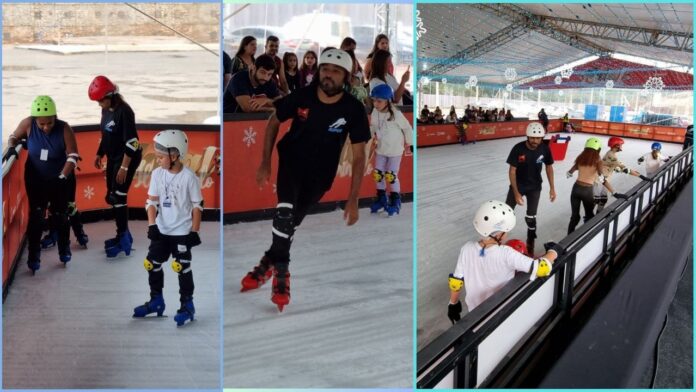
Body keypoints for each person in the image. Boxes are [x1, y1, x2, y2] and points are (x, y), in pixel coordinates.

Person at [241, 48, 370, 312]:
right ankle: (281, 275)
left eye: (335, 71)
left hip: (321, 176)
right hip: (291, 163)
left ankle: (266, 264)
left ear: (345, 76)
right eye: (324, 69)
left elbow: (359, 156)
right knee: (284, 216)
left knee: (289, 227)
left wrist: (353, 197)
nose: (328, 75)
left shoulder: (353, 109)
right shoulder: (302, 96)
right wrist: (265, 162)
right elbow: (274, 121)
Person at [133, 130, 203, 327]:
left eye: (160, 157)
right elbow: (151, 202)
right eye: (156, 156)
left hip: (182, 233)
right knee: (151, 264)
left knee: (181, 267)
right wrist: (152, 225)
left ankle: (187, 305)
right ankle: (156, 301)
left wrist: (194, 232)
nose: (157, 161)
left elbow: (198, 206)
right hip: (162, 231)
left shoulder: (189, 178)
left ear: (174, 155)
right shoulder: (157, 174)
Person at [447, 200, 560, 321]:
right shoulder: (506, 253)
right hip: (500, 313)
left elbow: (456, 281)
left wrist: (453, 304)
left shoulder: (466, 248)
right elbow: (542, 268)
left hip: (474, 313)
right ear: (499, 234)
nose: (507, 234)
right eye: (506, 231)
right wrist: (553, 251)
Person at [3, 96, 79, 273]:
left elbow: (73, 156)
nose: (46, 127)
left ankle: (64, 249)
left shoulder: (64, 128)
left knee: (61, 215)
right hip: (35, 179)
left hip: (59, 178)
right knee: (36, 216)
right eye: (42, 124)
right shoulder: (28, 124)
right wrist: (12, 146)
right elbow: (13, 136)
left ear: (55, 117)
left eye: (50, 123)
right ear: (35, 120)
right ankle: (33, 256)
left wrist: (61, 177)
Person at [89, 76, 143, 258]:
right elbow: (106, 135)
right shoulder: (106, 110)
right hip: (113, 157)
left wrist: (124, 168)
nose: (99, 104)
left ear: (111, 95)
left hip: (127, 158)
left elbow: (133, 142)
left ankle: (123, 239)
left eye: (100, 100)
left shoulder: (125, 111)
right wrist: (99, 153)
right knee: (111, 196)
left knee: (118, 195)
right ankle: (123, 234)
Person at [505, 122, 556, 255]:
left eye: (538, 138)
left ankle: (530, 244)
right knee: (505, 213)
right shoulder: (518, 148)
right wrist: (516, 193)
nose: (535, 141)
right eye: (532, 137)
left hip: (535, 187)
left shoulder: (544, 148)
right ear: (527, 136)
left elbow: (549, 168)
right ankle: (498, 240)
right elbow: (512, 172)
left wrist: (552, 188)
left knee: (531, 218)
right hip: (518, 185)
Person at [368, 84, 412, 216]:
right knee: (378, 174)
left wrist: (410, 144)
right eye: (374, 100)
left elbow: (407, 128)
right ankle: (381, 198)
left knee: (391, 176)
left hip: (394, 151)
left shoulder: (396, 114)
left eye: (379, 101)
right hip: (381, 149)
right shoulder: (375, 112)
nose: (375, 103)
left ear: (388, 100)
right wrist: (367, 138)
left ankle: (395, 201)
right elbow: (373, 127)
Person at [566, 138, 626, 234]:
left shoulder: (580, 157)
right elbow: (602, 180)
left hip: (576, 189)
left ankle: (568, 238)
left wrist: (572, 173)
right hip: (587, 191)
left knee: (575, 216)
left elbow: (570, 171)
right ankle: (586, 236)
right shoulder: (598, 160)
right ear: (598, 149)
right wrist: (614, 192)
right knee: (589, 216)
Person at [594, 136, 646, 213]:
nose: (621, 146)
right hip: (600, 181)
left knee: (603, 200)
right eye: (621, 145)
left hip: (604, 180)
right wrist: (640, 176)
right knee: (596, 200)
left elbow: (613, 165)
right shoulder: (611, 156)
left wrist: (616, 168)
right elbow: (625, 169)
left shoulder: (611, 154)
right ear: (616, 145)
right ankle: (590, 218)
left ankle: (597, 215)